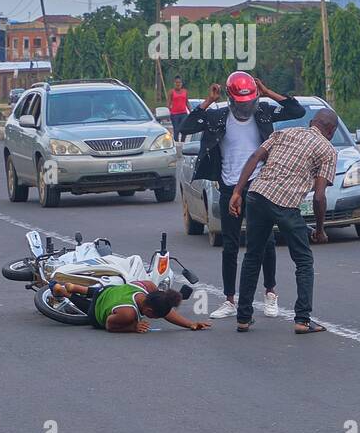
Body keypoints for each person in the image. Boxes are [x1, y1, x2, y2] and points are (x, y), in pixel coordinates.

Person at [177, 72, 305, 320]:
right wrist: (207, 101)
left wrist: (268, 93)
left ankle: (270, 293)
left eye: (250, 102)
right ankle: (229, 299)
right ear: (230, 99)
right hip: (229, 187)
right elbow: (186, 127)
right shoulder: (217, 116)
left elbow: (296, 111)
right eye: (241, 103)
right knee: (230, 245)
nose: (246, 108)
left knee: (265, 241)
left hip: (259, 186)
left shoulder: (264, 111)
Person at [230, 109, 339, 334]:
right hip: (286, 205)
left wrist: (237, 191)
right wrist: (320, 230)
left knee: (252, 256)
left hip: (257, 195)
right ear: (332, 131)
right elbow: (319, 197)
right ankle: (302, 320)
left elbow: (255, 157)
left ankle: (243, 317)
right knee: (304, 261)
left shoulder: (285, 132)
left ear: (311, 123)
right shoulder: (328, 150)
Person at [50, 279, 209, 333]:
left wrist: (189, 323)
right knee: (90, 308)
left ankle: (76, 287)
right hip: (98, 311)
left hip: (108, 290)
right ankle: (66, 293)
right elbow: (109, 325)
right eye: (155, 316)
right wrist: (132, 327)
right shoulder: (129, 314)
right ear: (148, 311)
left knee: (99, 292)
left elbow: (166, 310)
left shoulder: (148, 286)